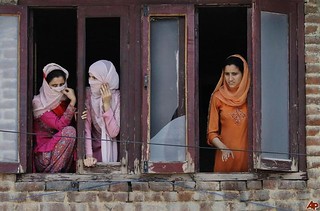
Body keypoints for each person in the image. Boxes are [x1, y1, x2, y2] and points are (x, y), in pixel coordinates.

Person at [207, 54, 250, 172]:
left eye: (234, 74)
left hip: (249, 160)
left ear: (244, 74)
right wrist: (223, 148)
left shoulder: (252, 97)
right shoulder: (218, 97)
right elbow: (211, 133)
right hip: (225, 157)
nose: (230, 79)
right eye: (227, 74)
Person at [32, 63, 77, 173]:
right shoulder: (39, 103)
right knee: (69, 132)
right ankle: (51, 176)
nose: (59, 88)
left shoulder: (65, 99)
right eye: (54, 85)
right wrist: (73, 103)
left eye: (62, 84)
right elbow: (60, 125)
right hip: (44, 156)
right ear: (47, 85)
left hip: (64, 156)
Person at [82, 60, 120, 167]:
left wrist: (107, 104)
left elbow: (113, 133)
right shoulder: (88, 95)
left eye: (94, 78)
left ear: (106, 79)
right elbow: (87, 129)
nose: (90, 81)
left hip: (111, 150)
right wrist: (89, 156)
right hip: (92, 150)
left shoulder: (117, 98)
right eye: (89, 77)